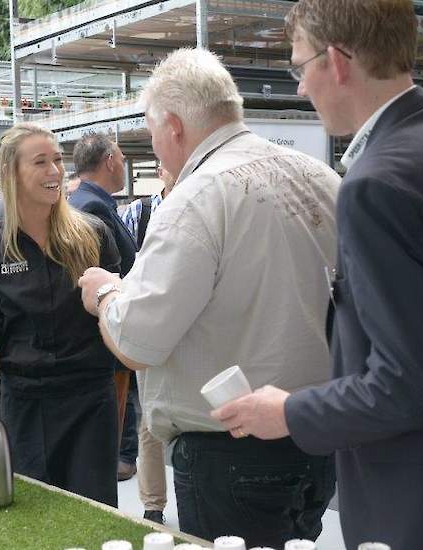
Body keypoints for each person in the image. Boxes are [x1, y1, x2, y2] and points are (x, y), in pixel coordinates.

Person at [212, 1, 423, 548]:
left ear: (336, 62)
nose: (298, 89)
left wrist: (289, 412)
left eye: (299, 68)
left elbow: (409, 383)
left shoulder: (377, 184)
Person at [77, 48, 340, 547]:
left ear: (173, 126)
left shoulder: (197, 197)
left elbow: (137, 342)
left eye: (152, 133)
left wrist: (105, 292)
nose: (153, 148)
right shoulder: (323, 180)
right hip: (314, 434)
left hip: (230, 454)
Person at [0, 123, 122, 506]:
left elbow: (124, 313)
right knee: (36, 515)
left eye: (58, 160)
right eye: (41, 162)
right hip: (25, 406)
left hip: (90, 402)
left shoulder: (93, 234)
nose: (55, 171)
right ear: (11, 174)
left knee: (92, 516)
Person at [68, 132, 140, 482]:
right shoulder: (93, 207)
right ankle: (121, 457)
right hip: (105, 323)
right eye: (123, 159)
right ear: (109, 160)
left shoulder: (88, 201)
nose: (124, 165)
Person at [119, 162, 177, 524]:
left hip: (193, 329)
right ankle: (153, 504)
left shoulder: (203, 203)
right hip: (152, 326)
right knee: (150, 420)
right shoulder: (139, 212)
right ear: (159, 168)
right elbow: (126, 270)